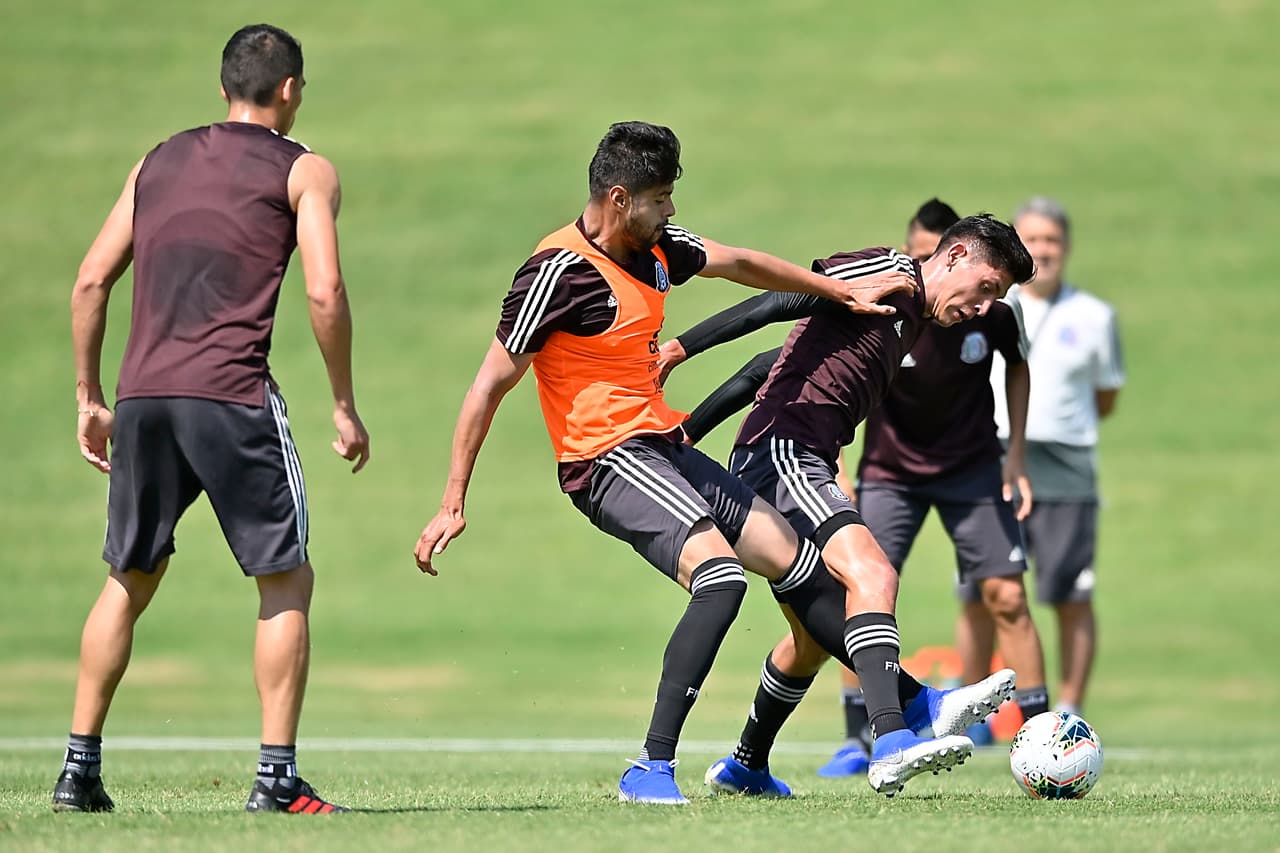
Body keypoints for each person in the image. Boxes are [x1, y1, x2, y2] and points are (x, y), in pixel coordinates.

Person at [412, 121, 983, 805]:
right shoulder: (556, 272)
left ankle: (908, 704)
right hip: (603, 457)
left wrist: (835, 292)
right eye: (661, 197)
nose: (672, 211)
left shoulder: (656, 249)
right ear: (619, 199)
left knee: (795, 560)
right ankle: (650, 767)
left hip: (660, 445)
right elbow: (487, 386)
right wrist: (453, 499)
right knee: (720, 577)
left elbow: (739, 261)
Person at [58, 24, 369, 815]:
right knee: (285, 576)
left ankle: (77, 771)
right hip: (231, 395)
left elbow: (91, 282)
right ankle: (275, 780)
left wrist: (90, 398)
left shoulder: (156, 160)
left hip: (142, 397)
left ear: (224, 85)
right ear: (290, 89)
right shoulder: (305, 170)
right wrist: (342, 403)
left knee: (128, 577)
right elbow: (325, 292)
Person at [660, 214, 1035, 797]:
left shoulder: (910, 321)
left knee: (812, 639)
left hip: (784, 454)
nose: (985, 307)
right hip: (783, 452)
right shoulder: (890, 272)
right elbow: (778, 301)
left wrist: (690, 431)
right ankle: (893, 736)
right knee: (873, 572)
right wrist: (680, 349)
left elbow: (771, 365)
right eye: (987, 287)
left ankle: (745, 767)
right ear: (956, 255)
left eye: (998, 299)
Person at [806, 199, 1049, 776]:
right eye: (915, 252)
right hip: (890, 473)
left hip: (972, 468)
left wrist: (1015, 457)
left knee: (1009, 597)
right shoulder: (888, 304)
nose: (918, 266)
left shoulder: (987, 312)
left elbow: (1018, 366)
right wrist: (836, 466)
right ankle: (856, 735)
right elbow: (829, 378)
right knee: (861, 586)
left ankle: (1042, 733)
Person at [958, 197, 1124, 719]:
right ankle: (973, 707)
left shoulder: (1095, 316)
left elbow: (1106, 397)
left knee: (1070, 591)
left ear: (1066, 246)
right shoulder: (985, 303)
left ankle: (1069, 708)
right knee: (982, 588)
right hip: (991, 451)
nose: (1044, 250)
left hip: (1066, 461)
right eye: (1033, 239)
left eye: (1052, 239)